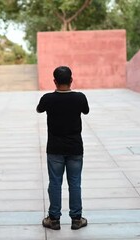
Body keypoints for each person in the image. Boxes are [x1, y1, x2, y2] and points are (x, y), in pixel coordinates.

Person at [36, 66, 89, 230]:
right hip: (75, 148)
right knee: (75, 183)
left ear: (55, 81)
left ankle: (54, 219)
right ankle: (76, 219)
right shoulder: (80, 98)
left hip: (55, 149)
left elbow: (39, 109)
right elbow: (86, 111)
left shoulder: (48, 98)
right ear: (71, 80)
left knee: (55, 183)